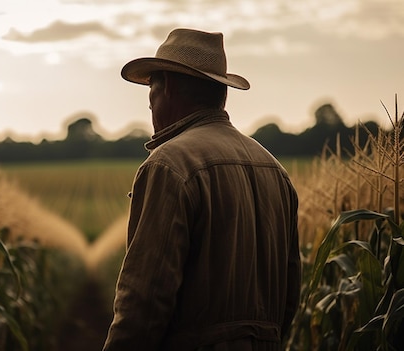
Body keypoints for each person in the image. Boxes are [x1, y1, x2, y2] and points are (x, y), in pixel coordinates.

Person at [102, 28, 301, 351]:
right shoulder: (275, 171)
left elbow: (144, 302)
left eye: (150, 90)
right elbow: (289, 298)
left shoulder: (168, 164)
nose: (149, 107)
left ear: (168, 87)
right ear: (220, 92)